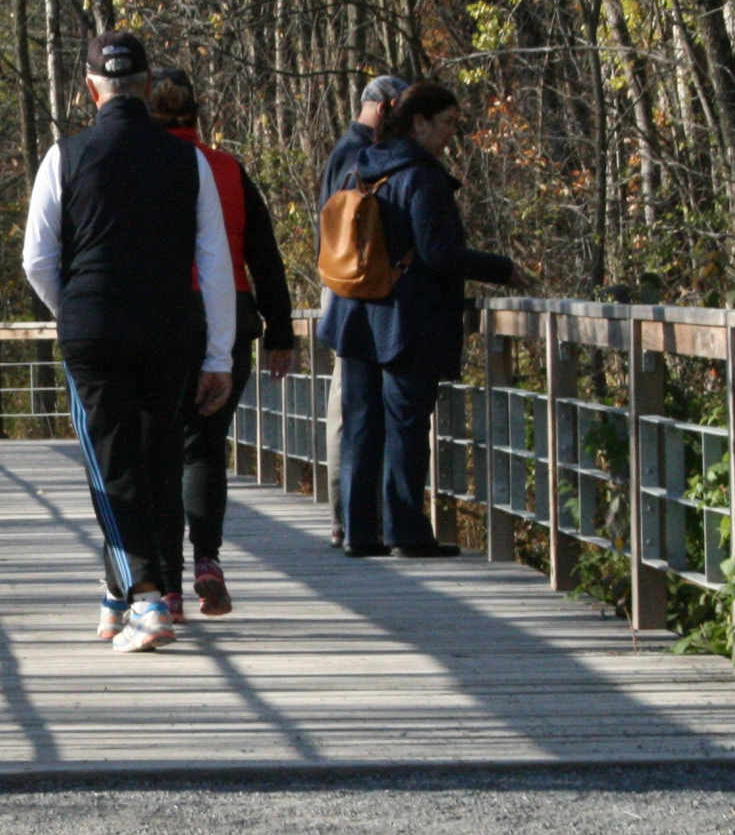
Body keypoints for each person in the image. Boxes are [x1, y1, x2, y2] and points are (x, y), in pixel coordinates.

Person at [22, 31, 236, 654]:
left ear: (90, 90)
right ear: (145, 86)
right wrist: (219, 355)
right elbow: (215, 262)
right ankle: (121, 593)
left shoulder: (64, 156)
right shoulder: (187, 160)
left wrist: (74, 311)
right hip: (171, 329)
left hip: (95, 328)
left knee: (111, 463)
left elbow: (38, 258)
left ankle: (146, 600)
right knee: (152, 459)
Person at [316, 81, 526, 558]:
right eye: (448, 122)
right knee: (406, 425)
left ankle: (359, 531)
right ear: (419, 122)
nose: (453, 133)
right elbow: (438, 251)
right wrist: (501, 269)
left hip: (355, 311)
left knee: (362, 425)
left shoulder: (360, 165)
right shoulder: (421, 176)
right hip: (405, 319)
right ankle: (407, 531)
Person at [150, 68, 297, 620]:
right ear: (197, 113)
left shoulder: (142, 168)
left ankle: (167, 586)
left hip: (163, 318)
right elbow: (265, 256)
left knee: (160, 452)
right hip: (230, 318)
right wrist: (280, 333)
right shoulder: (229, 169)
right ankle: (207, 558)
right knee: (206, 446)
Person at [318, 73, 408, 549]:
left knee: (349, 408)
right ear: (387, 106)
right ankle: (348, 518)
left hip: (341, 284)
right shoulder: (361, 156)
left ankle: (351, 516)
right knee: (349, 408)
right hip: (353, 287)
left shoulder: (345, 150)